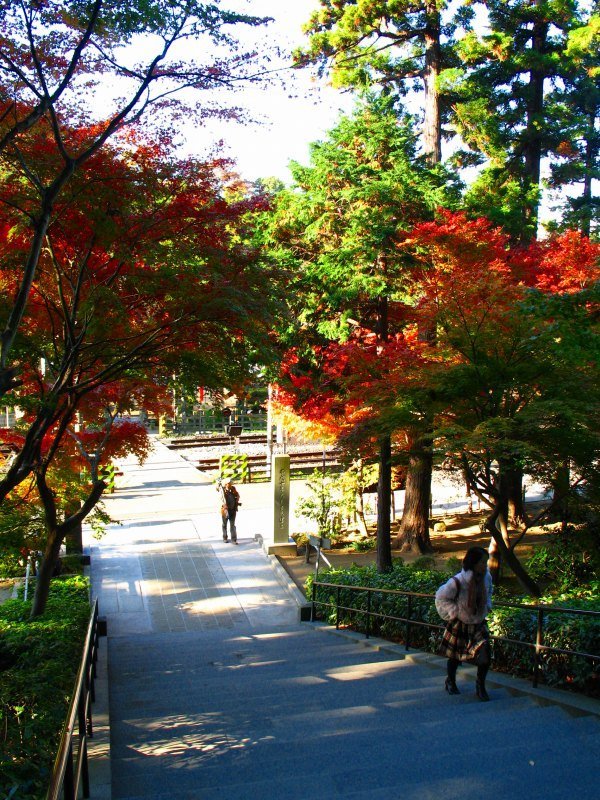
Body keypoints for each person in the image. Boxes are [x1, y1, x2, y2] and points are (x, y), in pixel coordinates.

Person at [435, 545, 493, 701]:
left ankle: (480, 685)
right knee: (455, 656)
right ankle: (451, 681)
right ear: (473, 563)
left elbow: (489, 592)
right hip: (461, 622)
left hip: (479, 622)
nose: (484, 566)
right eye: (482, 562)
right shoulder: (458, 581)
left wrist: (487, 605)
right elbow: (441, 597)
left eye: (485, 562)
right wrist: (455, 611)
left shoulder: (487, 577)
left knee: (485, 654)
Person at [217, 478, 241, 544]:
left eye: (230, 483)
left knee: (232, 525)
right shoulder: (222, 490)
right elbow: (217, 489)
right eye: (229, 483)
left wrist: (237, 498)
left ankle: (234, 539)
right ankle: (225, 537)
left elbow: (237, 495)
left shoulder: (233, 488)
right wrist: (218, 485)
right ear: (225, 484)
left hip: (233, 509)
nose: (230, 484)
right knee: (224, 524)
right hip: (225, 510)